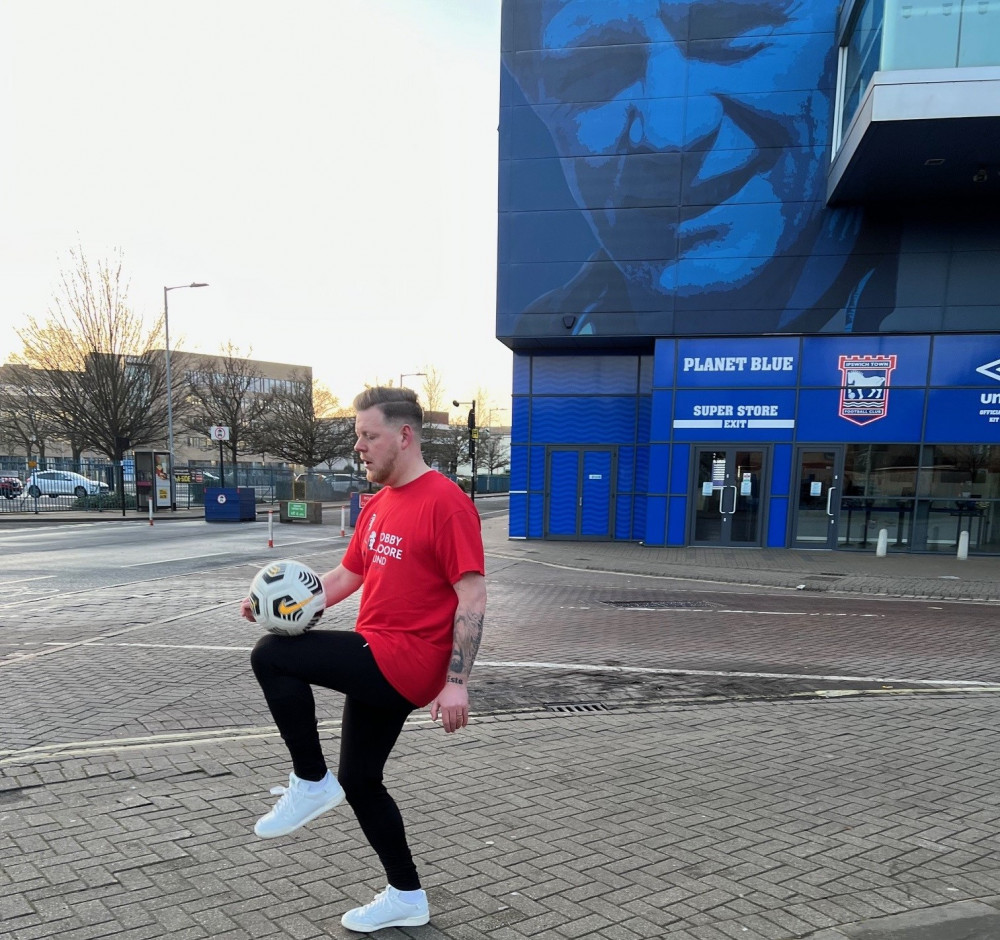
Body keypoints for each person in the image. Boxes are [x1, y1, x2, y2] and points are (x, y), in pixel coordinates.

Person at [241, 386, 487, 933]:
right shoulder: (378, 504)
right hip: (377, 653)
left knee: (272, 657)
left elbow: (471, 595)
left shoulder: (445, 502)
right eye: (357, 437)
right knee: (361, 780)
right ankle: (406, 895)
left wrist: (457, 681)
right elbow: (347, 577)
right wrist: (273, 606)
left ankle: (309, 780)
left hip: (408, 658)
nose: (360, 447)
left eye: (368, 436)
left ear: (404, 435)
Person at [503, 0, 899, 337]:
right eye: (597, 72)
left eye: (731, 29)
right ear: (535, 102)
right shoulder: (542, 328)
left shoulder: (928, 290)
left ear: (843, 47)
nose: (669, 134)